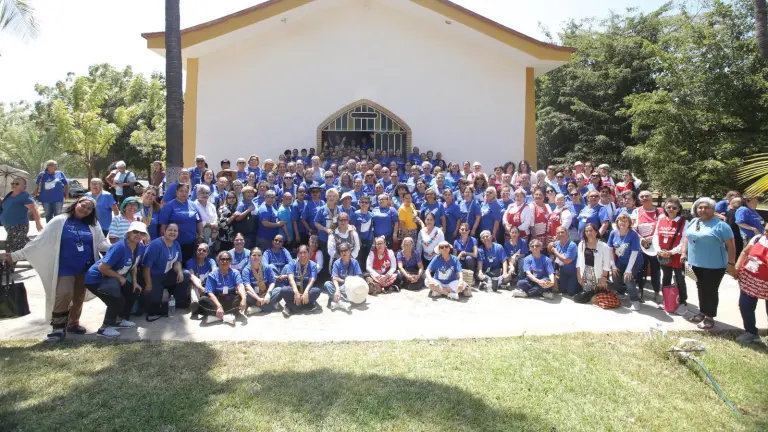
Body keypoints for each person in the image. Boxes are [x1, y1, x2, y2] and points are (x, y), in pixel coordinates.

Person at [3, 197, 111, 342]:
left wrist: (123, 248)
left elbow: (101, 243)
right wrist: (14, 256)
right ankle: (58, 329)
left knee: (78, 297)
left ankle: (73, 324)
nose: (84, 210)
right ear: (76, 203)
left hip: (85, 268)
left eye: (89, 209)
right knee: (63, 295)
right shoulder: (60, 221)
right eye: (83, 206)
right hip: (65, 268)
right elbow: (38, 243)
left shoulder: (93, 224)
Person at [84, 221, 147, 338]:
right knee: (117, 300)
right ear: (128, 233)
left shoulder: (140, 247)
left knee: (133, 292)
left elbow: (134, 266)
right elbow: (102, 267)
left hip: (113, 278)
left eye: (142, 233)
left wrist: (134, 282)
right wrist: (119, 277)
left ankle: (120, 320)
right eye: (135, 232)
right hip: (96, 278)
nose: (138, 235)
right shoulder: (119, 247)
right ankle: (104, 328)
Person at [681, 198, 736, 330]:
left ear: (713, 209)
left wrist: (731, 263)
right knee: (700, 288)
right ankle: (702, 312)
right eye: (700, 207)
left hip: (714, 265)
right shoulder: (694, 221)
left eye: (707, 208)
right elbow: (687, 237)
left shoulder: (721, 225)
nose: (703, 210)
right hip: (695, 263)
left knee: (710, 291)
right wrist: (684, 253)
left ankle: (709, 318)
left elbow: (731, 245)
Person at [140, 223, 191, 316]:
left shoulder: (176, 244)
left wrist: (179, 272)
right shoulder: (155, 244)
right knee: (153, 306)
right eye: (170, 230)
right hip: (154, 277)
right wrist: (148, 284)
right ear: (164, 231)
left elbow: (177, 261)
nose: (172, 232)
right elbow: (146, 266)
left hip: (167, 274)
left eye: (175, 231)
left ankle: (177, 300)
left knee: (186, 274)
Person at [653, 198, 689, 315]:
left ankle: (682, 302)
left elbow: (684, 240)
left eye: (674, 208)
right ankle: (667, 301)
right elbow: (656, 236)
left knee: (680, 279)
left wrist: (672, 252)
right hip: (663, 255)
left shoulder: (684, 222)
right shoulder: (661, 220)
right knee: (666, 278)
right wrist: (659, 250)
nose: (671, 209)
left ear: (679, 209)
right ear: (665, 208)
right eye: (669, 207)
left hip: (677, 256)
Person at [734, 222, 768, 344]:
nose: (766, 234)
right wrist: (737, 268)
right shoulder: (758, 238)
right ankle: (751, 332)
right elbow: (745, 252)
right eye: (766, 231)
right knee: (745, 306)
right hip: (750, 280)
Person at [1, 177, 43, 272]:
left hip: (19, 225)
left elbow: (34, 209)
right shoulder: (9, 194)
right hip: (9, 226)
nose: (14, 185)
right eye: (13, 183)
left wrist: (38, 223)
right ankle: (39, 253)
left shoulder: (24, 196)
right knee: (21, 244)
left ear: (24, 186)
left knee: (10, 245)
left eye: (17, 183)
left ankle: (8, 268)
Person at [159, 183, 203, 263]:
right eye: (181, 191)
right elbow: (163, 226)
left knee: (189, 266)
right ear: (176, 192)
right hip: (174, 244)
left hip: (191, 244)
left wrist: (200, 235)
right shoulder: (169, 206)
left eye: (186, 191)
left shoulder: (193, 205)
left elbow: (199, 222)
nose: (184, 193)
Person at [607, 213, 644, 311]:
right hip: (621, 260)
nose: (622, 223)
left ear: (629, 223)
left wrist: (628, 270)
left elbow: (634, 253)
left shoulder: (633, 234)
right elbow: (609, 250)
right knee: (615, 275)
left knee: (627, 278)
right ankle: (621, 292)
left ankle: (635, 300)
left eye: (625, 221)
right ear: (617, 222)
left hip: (634, 260)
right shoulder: (613, 233)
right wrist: (613, 265)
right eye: (620, 220)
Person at [199, 250, 246, 325]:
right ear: (218, 261)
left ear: (230, 262)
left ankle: (216, 316)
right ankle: (227, 317)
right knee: (202, 300)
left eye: (227, 259)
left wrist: (244, 299)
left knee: (241, 297)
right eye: (222, 259)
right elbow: (210, 293)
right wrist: (219, 306)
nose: (225, 261)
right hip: (216, 302)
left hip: (230, 300)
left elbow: (240, 286)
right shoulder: (212, 275)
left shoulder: (235, 273)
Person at [634, 190, 663, 301]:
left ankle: (656, 291)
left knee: (655, 269)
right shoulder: (637, 211)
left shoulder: (659, 211)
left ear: (652, 198)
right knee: (641, 268)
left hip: (655, 244)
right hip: (641, 244)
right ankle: (640, 290)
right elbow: (633, 227)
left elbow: (662, 226)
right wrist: (641, 238)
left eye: (647, 196)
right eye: (642, 196)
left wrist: (652, 238)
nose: (644, 198)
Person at [574, 223, 612, 304]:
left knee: (598, 296)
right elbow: (578, 261)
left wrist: (604, 278)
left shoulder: (604, 246)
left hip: (598, 275)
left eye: (591, 230)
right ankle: (592, 296)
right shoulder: (581, 244)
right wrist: (578, 276)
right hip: (585, 274)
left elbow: (606, 265)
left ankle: (595, 295)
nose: (588, 233)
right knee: (580, 298)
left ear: (596, 232)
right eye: (586, 231)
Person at [280, 245, 322, 317]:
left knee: (316, 291)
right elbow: (290, 278)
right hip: (294, 290)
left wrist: (305, 293)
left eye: (305, 252)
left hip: (307, 289)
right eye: (300, 253)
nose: (302, 255)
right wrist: (296, 293)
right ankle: (307, 304)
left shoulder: (313, 265)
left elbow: (312, 280)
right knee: (284, 290)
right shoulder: (292, 263)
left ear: (309, 253)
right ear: (297, 254)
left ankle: (291, 306)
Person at [241, 247, 281, 315]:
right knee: (246, 296)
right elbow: (247, 287)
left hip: (266, 293)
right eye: (254, 255)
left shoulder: (267, 267)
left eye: (259, 255)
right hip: (254, 295)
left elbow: (272, 282)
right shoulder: (246, 270)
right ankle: (269, 305)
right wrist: (258, 298)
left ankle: (258, 308)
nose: (256, 257)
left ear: (262, 257)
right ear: (250, 257)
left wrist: (268, 294)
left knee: (279, 290)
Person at [324, 243, 364, 311]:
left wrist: (347, 282)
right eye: (341, 251)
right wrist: (337, 290)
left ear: (349, 251)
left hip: (351, 286)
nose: (343, 252)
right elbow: (334, 278)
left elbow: (358, 276)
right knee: (327, 284)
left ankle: (338, 302)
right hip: (340, 286)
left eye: (345, 250)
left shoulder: (354, 262)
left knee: (359, 290)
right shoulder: (336, 263)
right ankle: (343, 303)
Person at [547, 226, 579, 296]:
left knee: (571, 292)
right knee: (562, 290)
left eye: (562, 232)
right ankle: (558, 280)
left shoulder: (572, 245)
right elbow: (549, 248)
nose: (560, 234)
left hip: (573, 272)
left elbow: (566, 261)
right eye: (558, 233)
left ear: (567, 233)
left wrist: (555, 252)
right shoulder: (556, 243)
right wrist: (550, 245)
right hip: (563, 272)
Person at [186, 243, 216, 315]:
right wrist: (200, 287)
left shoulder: (211, 261)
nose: (201, 252)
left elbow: (214, 272)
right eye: (199, 250)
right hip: (196, 286)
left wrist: (207, 286)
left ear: (207, 253)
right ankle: (195, 304)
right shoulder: (190, 261)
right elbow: (192, 276)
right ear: (196, 251)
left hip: (207, 285)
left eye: (204, 250)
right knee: (195, 281)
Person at [193, 184, 218, 249]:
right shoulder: (193, 205)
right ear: (197, 194)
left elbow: (215, 220)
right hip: (198, 235)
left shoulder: (212, 206)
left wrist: (214, 232)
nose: (205, 195)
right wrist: (210, 225)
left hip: (212, 236)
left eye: (207, 193)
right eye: (202, 193)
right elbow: (195, 221)